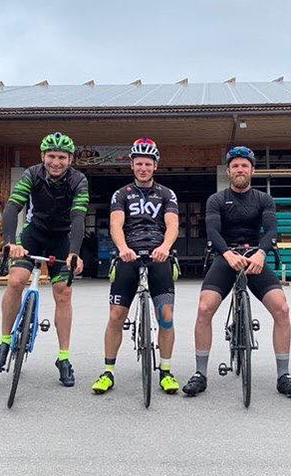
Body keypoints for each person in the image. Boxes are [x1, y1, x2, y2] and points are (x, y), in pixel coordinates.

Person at [182, 146, 291, 398]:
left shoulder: (263, 199)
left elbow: (271, 231)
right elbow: (213, 232)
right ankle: (200, 373)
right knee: (204, 308)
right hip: (225, 257)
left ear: (252, 170)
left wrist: (261, 253)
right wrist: (227, 254)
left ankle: (284, 375)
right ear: (228, 171)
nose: (240, 169)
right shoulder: (216, 200)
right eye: (235, 166)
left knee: (282, 308)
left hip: (255, 258)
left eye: (245, 165)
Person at [0, 132, 87, 387]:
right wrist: (12, 242)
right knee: (16, 281)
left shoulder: (79, 180)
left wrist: (73, 252)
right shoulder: (32, 174)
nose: (56, 162)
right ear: (43, 156)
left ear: (70, 159)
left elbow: (78, 217)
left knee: (63, 292)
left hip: (62, 237)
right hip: (34, 233)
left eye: (62, 157)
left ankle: (63, 357)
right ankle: (4, 341)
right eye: (51, 156)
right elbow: (13, 207)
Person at [91, 138, 181, 395]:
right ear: (132, 165)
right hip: (127, 256)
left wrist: (165, 247)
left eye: (148, 163)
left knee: (166, 316)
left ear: (155, 166)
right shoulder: (121, 194)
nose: (143, 167)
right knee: (116, 316)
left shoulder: (166, 194)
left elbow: (173, 225)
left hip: (159, 256)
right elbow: (116, 225)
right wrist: (122, 249)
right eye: (139, 163)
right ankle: (108, 371)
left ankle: (165, 370)